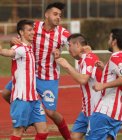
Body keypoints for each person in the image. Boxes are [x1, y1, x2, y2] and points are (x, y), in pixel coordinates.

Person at [2, 2, 71, 140]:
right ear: (46, 14)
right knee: (5, 93)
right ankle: (25, 114)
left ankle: (68, 138)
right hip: (30, 76)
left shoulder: (63, 34)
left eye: (60, 15)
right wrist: (12, 42)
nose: (58, 18)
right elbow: (17, 42)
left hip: (48, 77)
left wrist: (61, 52)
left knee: (51, 112)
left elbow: (75, 48)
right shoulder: (35, 27)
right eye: (55, 14)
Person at [0, 19, 48, 140]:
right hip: (22, 98)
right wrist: (1, 51)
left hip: (34, 98)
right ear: (21, 32)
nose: (33, 32)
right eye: (29, 30)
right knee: (18, 132)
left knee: (43, 132)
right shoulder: (20, 49)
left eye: (33, 30)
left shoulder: (29, 47)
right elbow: (10, 52)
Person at [85, 28, 122, 140]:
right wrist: (105, 67)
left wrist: (102, 85)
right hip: (118, 112)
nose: (108, 41)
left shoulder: (116, 57)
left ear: (114, 41)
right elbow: (119, 72)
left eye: (110, 38)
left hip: (106, 111)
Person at [55, 33, 102, 140]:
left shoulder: (89, 58)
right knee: (75, 136)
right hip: (86, 110)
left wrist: (67, 66)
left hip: (95, 109)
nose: (68, 49)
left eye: (70, 45)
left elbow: (83, 79)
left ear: (77, 44)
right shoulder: (84, 59)